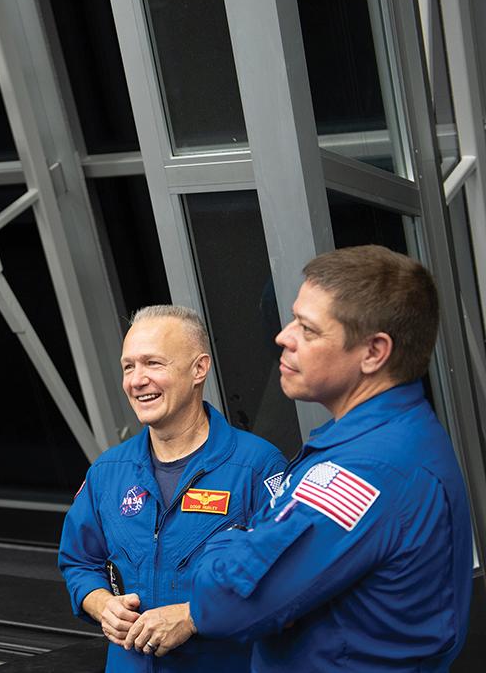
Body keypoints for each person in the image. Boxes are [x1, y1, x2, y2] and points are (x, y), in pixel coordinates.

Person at [126, 246, 473, 671]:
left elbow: (229, 597)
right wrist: (256, 542)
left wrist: (229, 538)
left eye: (308, 329)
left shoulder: (365, 469)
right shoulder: (392, 438)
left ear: (373, 352)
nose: (283, 337)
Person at [58, 305, 286, 672]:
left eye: (153, 363)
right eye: (128, 366)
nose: (136, 380)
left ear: (199, 369)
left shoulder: (257, 467)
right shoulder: (107, 472)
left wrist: (194, 616)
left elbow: (285, 582)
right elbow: (79, 562)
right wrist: (102, 604)